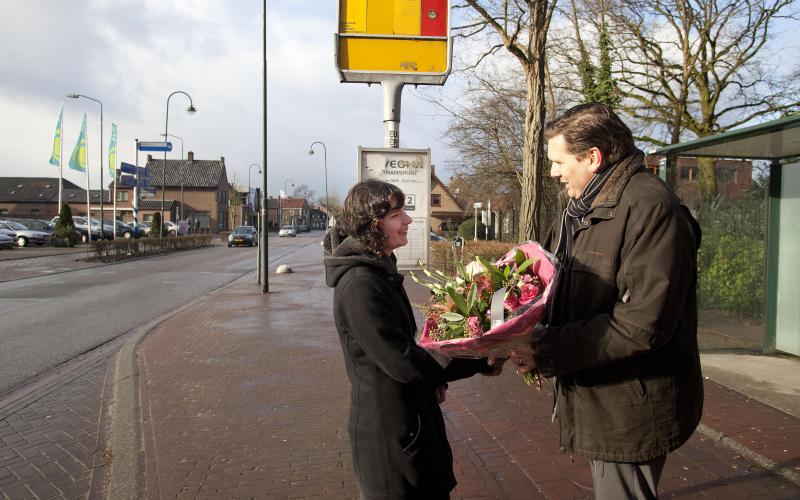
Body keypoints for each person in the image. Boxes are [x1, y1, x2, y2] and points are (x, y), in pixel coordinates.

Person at [508, 103, 703, 499]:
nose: (552, 172)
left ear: (593, 157)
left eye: (559, 161)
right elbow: (550, 277)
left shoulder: (652, 208)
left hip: (630, 403)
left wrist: (545, 349)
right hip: (602, 393)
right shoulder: (581, 206)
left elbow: (642, 323)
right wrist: (504, 321)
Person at [324, 179, 499, 500]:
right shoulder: (361, 285)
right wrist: (478, 357)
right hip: (391, 444)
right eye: (396, 214)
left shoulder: (380, 272)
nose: (407, 220)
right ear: (371, 225)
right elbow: (404, 362)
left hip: (409, 428)